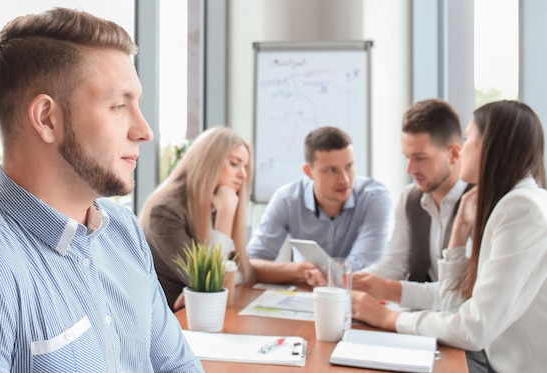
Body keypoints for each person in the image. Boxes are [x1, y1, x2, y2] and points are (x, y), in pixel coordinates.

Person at [0, 8, 213, 373]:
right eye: (118, 106)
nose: (144, 130)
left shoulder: (123, 233)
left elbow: (176, 371)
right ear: (46, 118)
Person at [352, 100, 547, 373]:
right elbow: (456, 304)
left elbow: (474, 328)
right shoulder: (508, 202)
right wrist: (458, 235)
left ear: (490, 146)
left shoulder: (521, 208)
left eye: (469, 139)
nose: (463, 148)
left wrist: (390, 318)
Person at [352, 98, 471, 311]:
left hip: (458, 328)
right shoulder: (411, 197)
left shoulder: (478, 203)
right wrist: (345, 281)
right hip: (422, 320)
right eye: (407, 157)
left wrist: (389, 290)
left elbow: (463, 294)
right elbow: (394, 264)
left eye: (420, 158)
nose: (410, 168)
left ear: (453, 154)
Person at [246, 126, 392, 286]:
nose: (345, 180)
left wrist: (326, 271)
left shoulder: (375, 197)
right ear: (309, 171)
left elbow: (366, 266)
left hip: (359, 296)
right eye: (331, 170)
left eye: (349, 167)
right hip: (306, 295)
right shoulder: (287, 199)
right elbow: (252, 263)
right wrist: (301, 270)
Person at [139, 126, 252, 310]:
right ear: (208, 162)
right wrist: (225, 215)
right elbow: (212, 283)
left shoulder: (213, 204)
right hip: (170, 320)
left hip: (196, 315)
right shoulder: (165, 211)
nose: (243, 174)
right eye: (234, 163)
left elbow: (239, 272)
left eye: (245, 166)